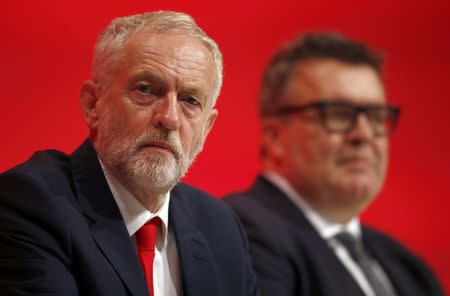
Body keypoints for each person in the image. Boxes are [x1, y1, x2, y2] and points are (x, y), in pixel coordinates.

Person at [0, 11, 257, 296]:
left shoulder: (220, 226)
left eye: (190, 100)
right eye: (146, 90)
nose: (170, 118)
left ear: (206, 128)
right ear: (93, 104)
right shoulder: (31, 203)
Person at [225, 33, 444, 296]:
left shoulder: (408, 266)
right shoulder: (239, 233)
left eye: (375, 117)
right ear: (275, 136)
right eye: (338, 114)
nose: (363, 134)